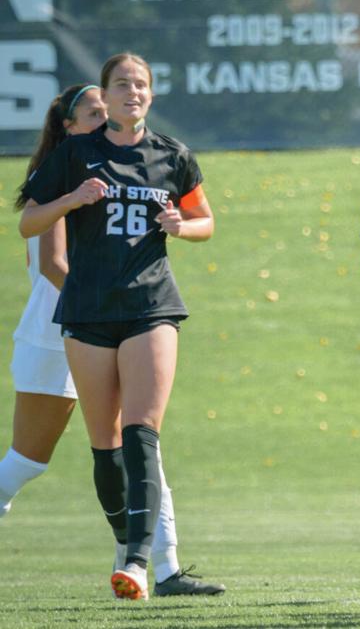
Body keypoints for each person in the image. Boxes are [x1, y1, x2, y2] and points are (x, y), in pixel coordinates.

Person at [5, 83, 224, 597]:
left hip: (106, 320)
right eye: (94, 113)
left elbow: (194, 221)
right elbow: (53, 264)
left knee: (141, 443)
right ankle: (144, 561)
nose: (106, 120)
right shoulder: (70, 166)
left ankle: (157, 567)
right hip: (59, 325)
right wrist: (105, 302)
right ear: (70, 126)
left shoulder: (132, 163)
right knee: (29, 460)